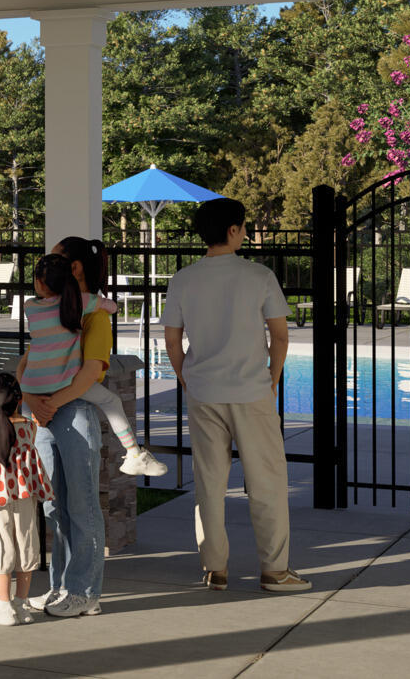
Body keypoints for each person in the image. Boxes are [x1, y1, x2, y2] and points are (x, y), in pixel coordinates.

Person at [163, 198, 307, 592]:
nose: (245, 232)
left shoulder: (183, 279)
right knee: (267, 482)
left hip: (204, 391)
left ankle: (215, 569)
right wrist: (273, 377)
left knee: (209, 481)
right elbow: (279, 335)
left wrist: (184, 376)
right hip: (251, 390)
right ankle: (275, 571)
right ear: (232, 230)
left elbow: (172, 340)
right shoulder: (258, 276)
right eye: (243, 227)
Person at [15, 253, 109, 617]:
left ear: (77, 268)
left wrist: (49, 404)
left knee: (82, 506)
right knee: (55, 506)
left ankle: (85, 593)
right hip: (43, 411)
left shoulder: (92, 315)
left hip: (71, 411)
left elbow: (88, 375)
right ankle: (61, 587)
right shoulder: (44, 312)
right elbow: (29, 360)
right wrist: (34, 401)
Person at [49, 237, 169, 477]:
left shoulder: (45, 305)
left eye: (55, 261)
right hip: (69, 394)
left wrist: (39, 401)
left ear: (75, 268)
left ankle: (135, 454)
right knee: (112, 402)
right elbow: (90, 374)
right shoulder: (90, 308)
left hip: (47, 393)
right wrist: (50, 405)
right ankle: (134, 452)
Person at [0, 372, 52, 626]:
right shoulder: (29, 426)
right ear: (19, 400)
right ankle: (21, 603)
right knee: (25, 544)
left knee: (0, 545)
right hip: (24, 496)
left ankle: (4, 605)